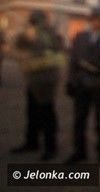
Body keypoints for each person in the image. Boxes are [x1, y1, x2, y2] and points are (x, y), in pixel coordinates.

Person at [65, 6, 100, 165]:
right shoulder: (80, 37)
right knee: (79, 120)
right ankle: (79, 151)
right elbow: (73, 61)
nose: (98, 22)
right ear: (90, 20)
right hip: (81, 84)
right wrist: (70, 81)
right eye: (95, 19)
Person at [9, 10, 63, 161]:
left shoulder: (46, 34)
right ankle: (33, 142)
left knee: (45, 113)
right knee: (35, 112)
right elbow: (18, 45)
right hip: (38, 78)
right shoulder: (43, 33)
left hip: (43, 79)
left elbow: (19, 44)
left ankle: (49, 147)